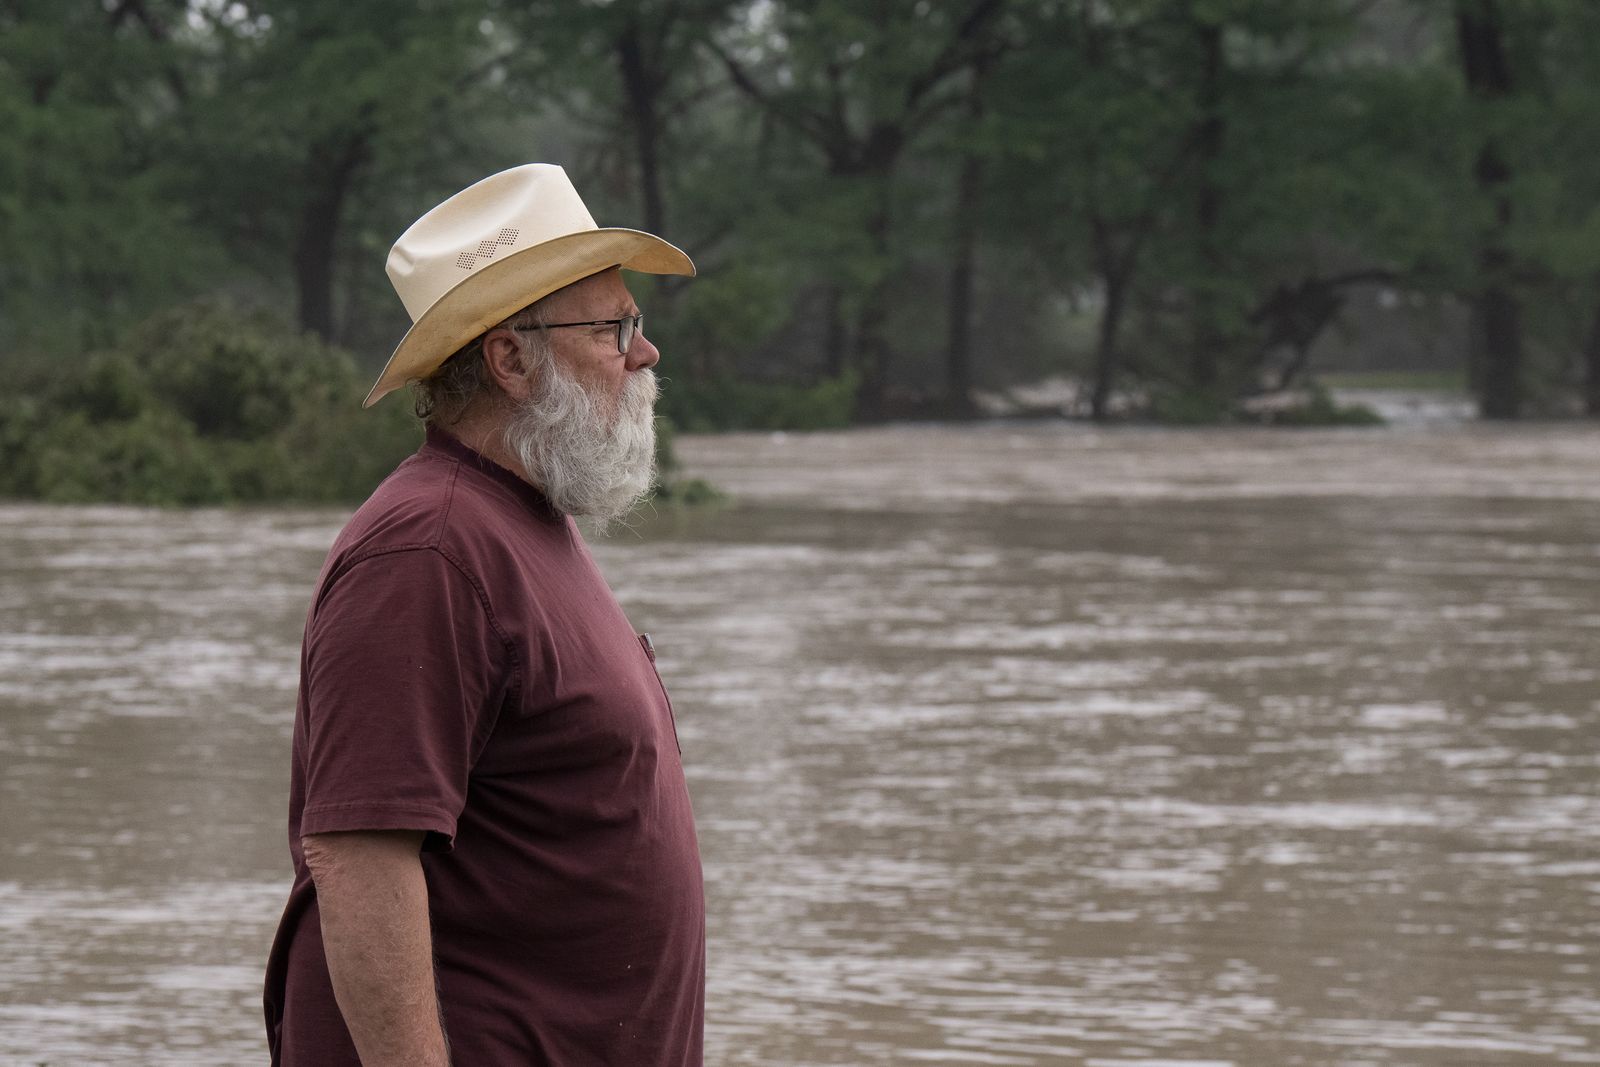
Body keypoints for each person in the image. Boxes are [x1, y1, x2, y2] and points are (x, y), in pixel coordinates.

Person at [262, 164, 705, 1067]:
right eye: (614, 326)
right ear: (509, 358)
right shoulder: (428, 549)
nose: (644, 351)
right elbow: (359, 856)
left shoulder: (521, 522)